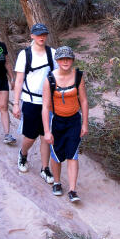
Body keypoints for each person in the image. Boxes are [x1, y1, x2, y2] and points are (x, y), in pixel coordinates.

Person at [42, 46, 88, 203]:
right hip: (56, 120)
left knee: (72, 154)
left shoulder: (78, 77)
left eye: (68, 58)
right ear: (57, 61)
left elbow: (83, 100)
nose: (65, 61)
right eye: (62, 59)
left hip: (74, 120)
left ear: (72, 60)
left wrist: (85, 123)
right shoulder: (50, 79)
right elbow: (45, 107)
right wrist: (47, 131)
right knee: (56, 154)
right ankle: (57, 182)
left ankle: (73, 190)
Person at [13, 23, 57, 183]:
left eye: (44, 34)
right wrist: (16, 104)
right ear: (32, 36)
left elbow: (58, 77)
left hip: (49, 103)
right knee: (30, 136)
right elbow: (18, 81)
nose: (41, 37)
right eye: (38, 34)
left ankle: (45, 169)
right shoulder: (25, 55)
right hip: (31, 101)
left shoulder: (52, 53)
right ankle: (23, 154)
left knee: (46, 136)